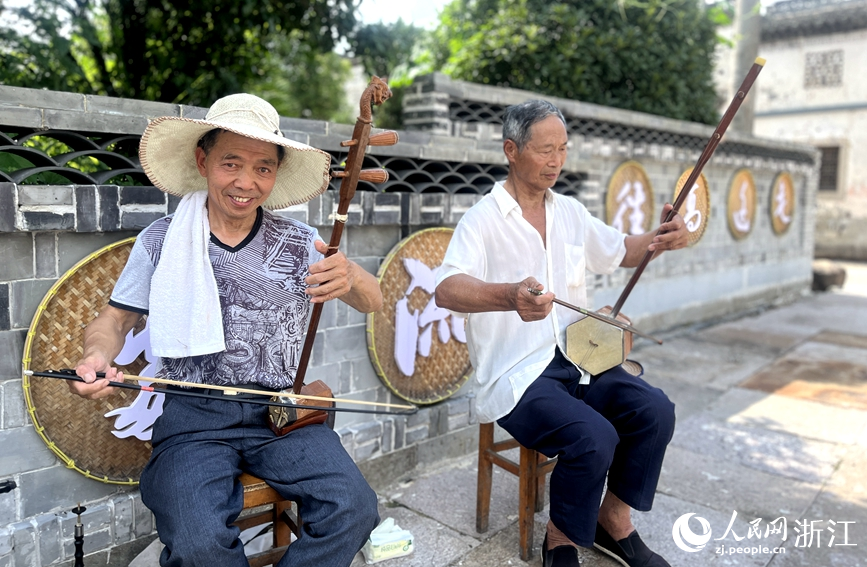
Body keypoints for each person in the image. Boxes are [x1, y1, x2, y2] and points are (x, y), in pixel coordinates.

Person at [70, 93, 382, 567]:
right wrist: (97, 355)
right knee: (197, 544)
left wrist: (352, 276)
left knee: (355, 508)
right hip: (194, 420)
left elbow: (373, 299)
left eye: (262, 168)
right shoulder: (160, 240)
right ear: (203, 160)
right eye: (230, 163)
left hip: (280, 414)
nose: (245, 182)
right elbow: (115, 320)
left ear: (275, 174)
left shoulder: (301, 242)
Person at [435, 99, 689, 567]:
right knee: (593, 437)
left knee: (655, 410)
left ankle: (613, 521)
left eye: (563, 149)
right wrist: (509, 295)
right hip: (517, 375)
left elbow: (623, 250)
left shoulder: (570, 212)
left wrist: (660, 237)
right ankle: (561, 537)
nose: (556, 161)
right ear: (511, 149)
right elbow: (447, 290)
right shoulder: (483, 220)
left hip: (580, 359)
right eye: (545, 149)